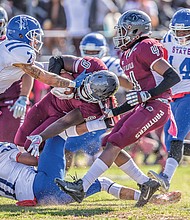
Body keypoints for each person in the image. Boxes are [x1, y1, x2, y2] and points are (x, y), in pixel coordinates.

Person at [53, 9, 181, 207]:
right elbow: (136, 95)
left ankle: (82, 186)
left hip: (158, 105)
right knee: (107, 141)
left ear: (136, 30)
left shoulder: (146, 46)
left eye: (123, 30)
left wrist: (149, 93)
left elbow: (173, 77)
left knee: (116, 142)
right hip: (145, 105)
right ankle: (146, 184)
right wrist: (113, 112)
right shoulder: (127, 55)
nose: (119, 34)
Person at [0, 139, 181, 206]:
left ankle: (154, 199)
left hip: (40, 199)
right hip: (43, 186)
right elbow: (34, 160)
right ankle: (96, 135)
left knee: (102, 182)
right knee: (56, 135)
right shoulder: (3, 149)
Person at [14, 55, 119, 152]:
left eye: (88, 95)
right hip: (48, 101)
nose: (83, 93)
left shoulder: (93, 108)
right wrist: (56, 85)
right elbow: (57, 60)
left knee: (29, 145)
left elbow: (65, 122)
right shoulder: (93, 65)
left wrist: (41, 137)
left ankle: (37, 170)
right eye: (84, 87)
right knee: (19, 139)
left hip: (58, 115)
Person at [64, 32, 131, 169]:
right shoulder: (77, 64)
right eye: (88, 52)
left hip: (105, 114)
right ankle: (63, 179)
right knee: (67, 147)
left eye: (95, 52)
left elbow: (130, 84)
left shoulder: (111, 63)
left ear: (103, 51)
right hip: (84, 113)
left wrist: (111, 80)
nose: (91, 55)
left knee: (108, 147)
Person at [147, 8, 190, 192]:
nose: (180, 34)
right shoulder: (167, 39)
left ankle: (166, 178)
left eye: (184, 31)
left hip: (188, 93)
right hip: (172, 96)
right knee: (169, 140)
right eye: (177, 30)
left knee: (176, 137)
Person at [0, 14, 77, 107]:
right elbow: (44, 77)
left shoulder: (9, 49)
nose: (36, 41)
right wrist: (73, 84)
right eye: (33, 36)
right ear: (20, 35)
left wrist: (68, 66)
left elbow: (40, 67)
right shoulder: (19, 52)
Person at [0, 7, 34, 142]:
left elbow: (29, 72)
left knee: (10, 142)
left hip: (11, 98)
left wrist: (23, 97)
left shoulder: (12, 45)